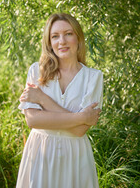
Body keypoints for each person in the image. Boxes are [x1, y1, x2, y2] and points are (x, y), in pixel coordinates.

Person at [16, 13, 103, 188]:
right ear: (49, 42)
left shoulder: (93, 77)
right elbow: (32, 120)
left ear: (78, 38)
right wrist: (81, 117)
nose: (61, 41)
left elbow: (79, 131)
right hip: (40, 153)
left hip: (75, 156)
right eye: (55, 36)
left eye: (68, 34)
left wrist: (42, 99)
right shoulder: (37, 71)